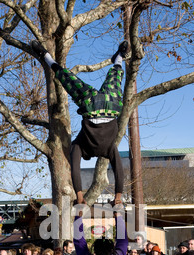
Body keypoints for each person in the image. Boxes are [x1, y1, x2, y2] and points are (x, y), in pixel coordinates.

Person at [31, 39, 129, 206]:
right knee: (67, 78)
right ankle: (45, 55)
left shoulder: (109, 149)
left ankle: (119, 57)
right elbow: (75, 169)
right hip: (90, 105)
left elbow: (119, 171)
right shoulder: (78, 147)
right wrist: (80, 196)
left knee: (115, 79)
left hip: (111, 107)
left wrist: (118, 196)